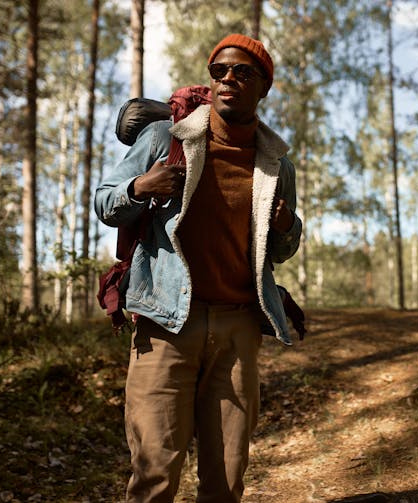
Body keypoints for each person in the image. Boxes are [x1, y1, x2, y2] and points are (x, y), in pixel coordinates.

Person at [94, 33, 301, 503]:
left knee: (225, 482)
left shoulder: (276, 163)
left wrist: (288, 225)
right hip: (166, 323)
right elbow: (105, 202)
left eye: (243, 72)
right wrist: (142, 186)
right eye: (219, 71)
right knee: (154, 476)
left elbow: (282, 250)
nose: (229, 79)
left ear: (264, 87)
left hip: (237, 331)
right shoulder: (164, 138)